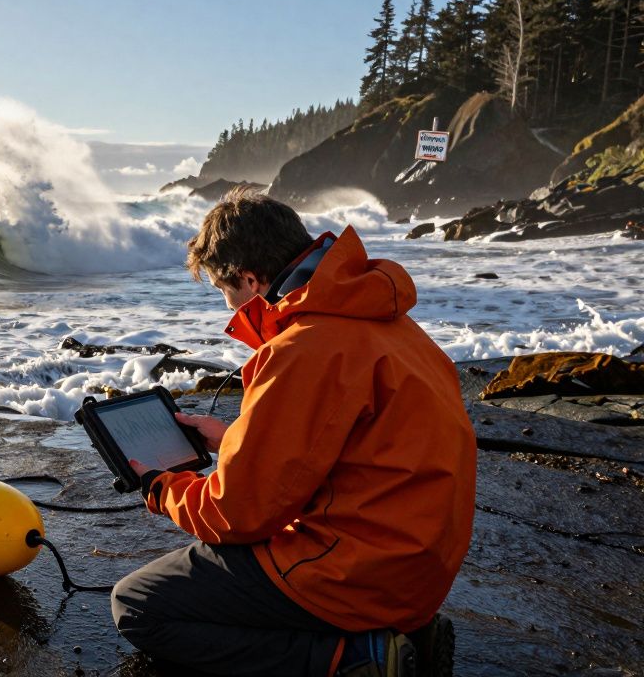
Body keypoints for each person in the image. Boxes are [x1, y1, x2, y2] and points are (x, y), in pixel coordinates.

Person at [111, 187, 476, 677]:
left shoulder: (305, 349)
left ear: (250, 279)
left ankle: (361, 660)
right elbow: (344, 444)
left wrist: (162, 487)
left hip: (359, 574)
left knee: (138, 603)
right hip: (419, 566)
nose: (230, 311)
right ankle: (401, 635)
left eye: (228, 294)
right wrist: (233, 438)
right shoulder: (388, 323)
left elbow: (237, 513)